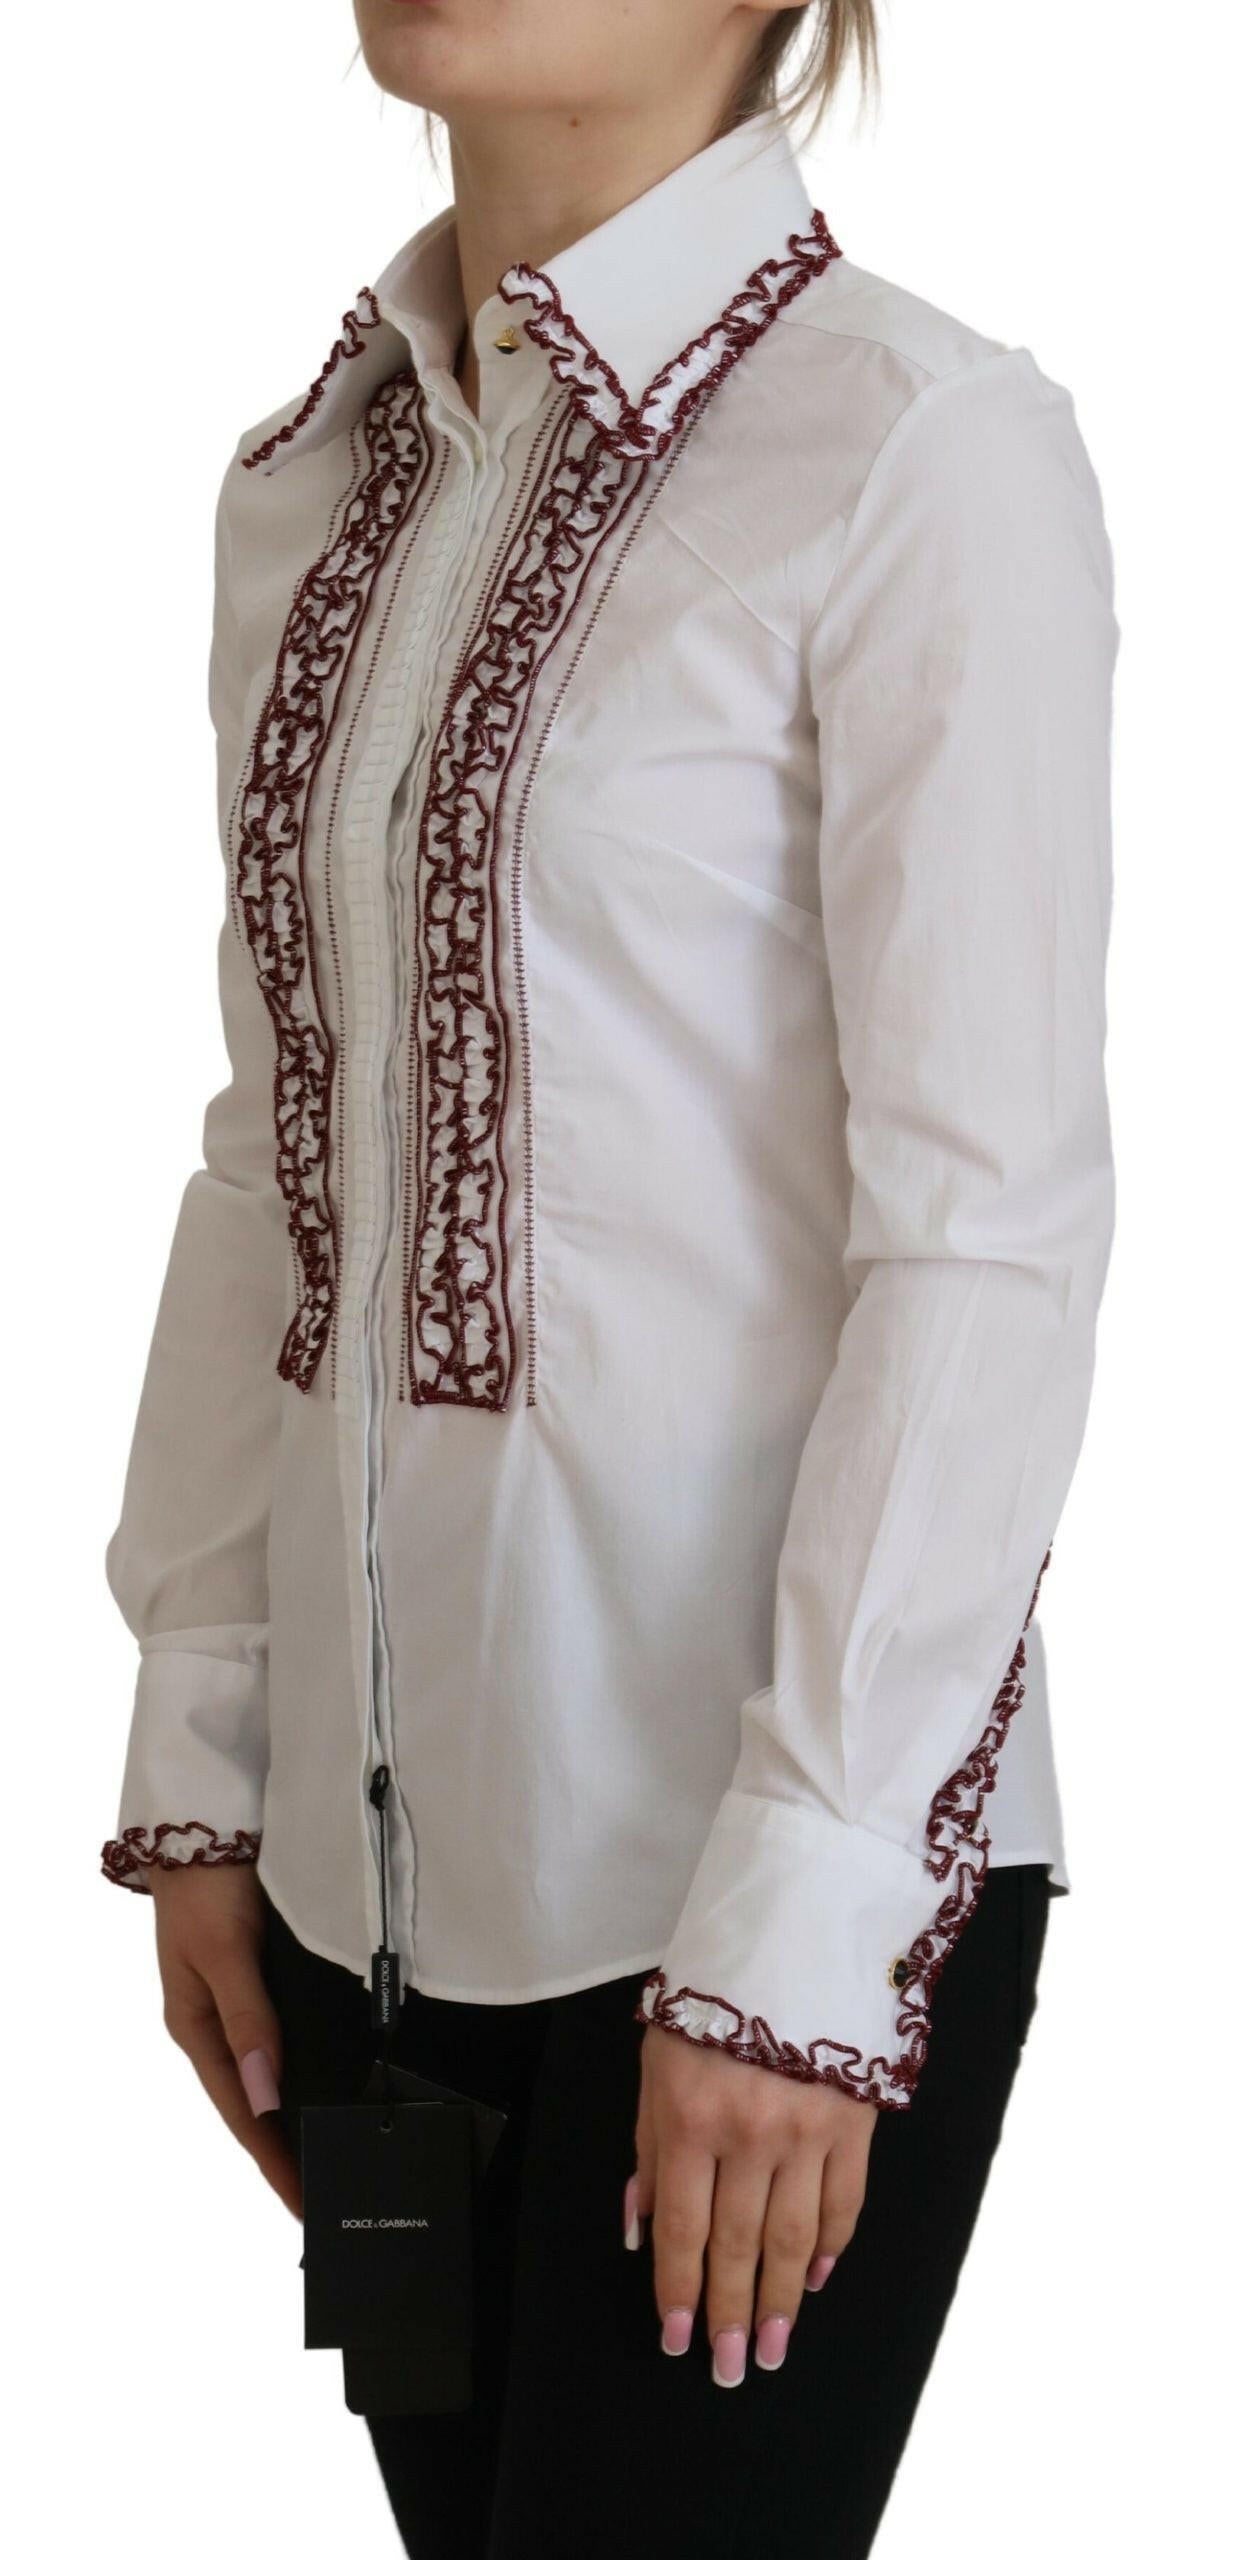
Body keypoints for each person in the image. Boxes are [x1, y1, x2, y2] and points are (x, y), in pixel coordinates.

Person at [100, 4, 1118, 2552]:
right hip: (365, 1898)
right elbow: (277, 1152)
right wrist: (207, 1740)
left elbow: (985, 1239)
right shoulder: (310, 483)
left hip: (766, 1890)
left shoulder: (915, 449)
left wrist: (806, 1911)